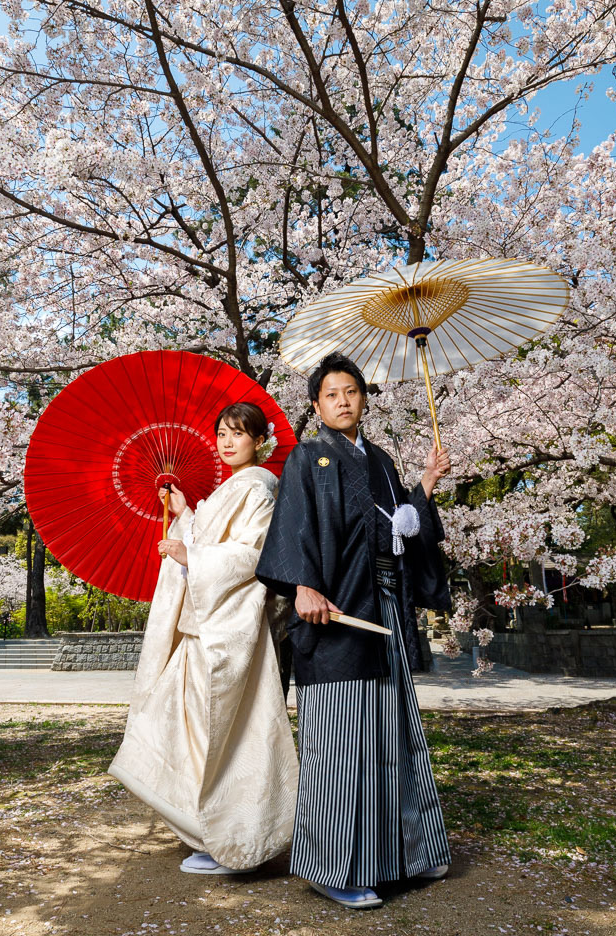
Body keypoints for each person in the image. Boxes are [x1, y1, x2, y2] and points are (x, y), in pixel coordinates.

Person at [255, 352, 453, 909]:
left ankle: (405, 852)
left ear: (365, 399)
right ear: (316, 405)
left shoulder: (382, 461)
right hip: (336, 610)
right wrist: (302, 586)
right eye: (332, 394)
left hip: (383, 606)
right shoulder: (307, 458)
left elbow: (395, 531)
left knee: (393, 732)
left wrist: (424, 491)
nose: (343, 401)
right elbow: (292, 529)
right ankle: (331, 865)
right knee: (339, 741)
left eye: (352, 391)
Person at [108, 402, 297, 875]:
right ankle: (201, 825)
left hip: (226, 633)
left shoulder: (259, 489)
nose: (228, 441)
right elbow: (210, 543)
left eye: (239, 433)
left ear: (260, 441)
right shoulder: (228, 490)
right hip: (203, 628)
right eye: (222, 433)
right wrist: (185, 513)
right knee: (180, 726)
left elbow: (249, 555)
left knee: (223, 732)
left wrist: (189, 554)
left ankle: (229, 835)